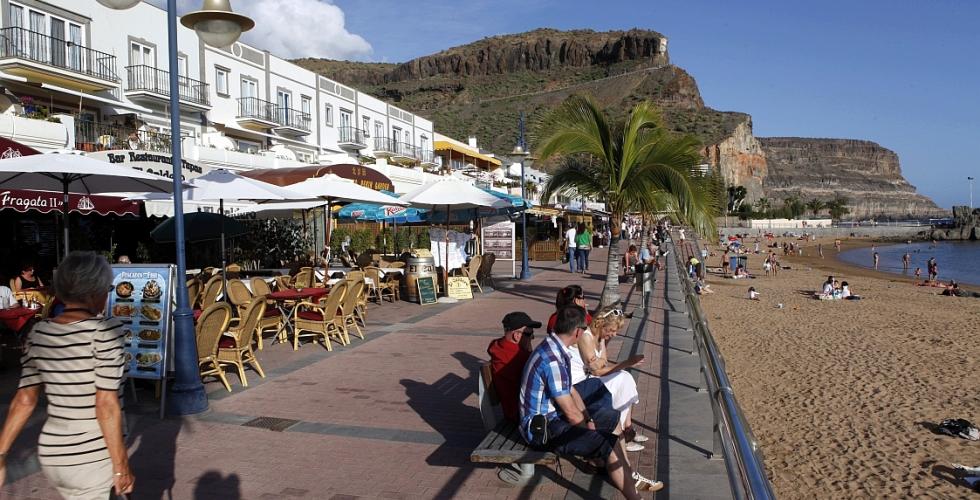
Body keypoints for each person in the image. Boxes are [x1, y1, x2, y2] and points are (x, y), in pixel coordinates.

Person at [0, 252, 134, 498]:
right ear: (95, 291)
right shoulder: (105, 332)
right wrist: (121, 465)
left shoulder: (40, 333)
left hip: (54, 454)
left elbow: (24, 400)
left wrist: (1, 454)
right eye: (106, 288)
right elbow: (105, 403)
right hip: (91, 456)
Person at [520, 306, 663, 496]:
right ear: (578, 331)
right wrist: (588, 430)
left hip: (552, 416)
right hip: (541, 429)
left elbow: (571, 390)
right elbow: (570, 411)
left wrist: (588, 418)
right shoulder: (553, 360)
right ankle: (632, 493)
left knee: (611, 416)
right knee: (605, 442)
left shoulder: (554, 347)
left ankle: (627, 472)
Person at [577, 307, 647, 450]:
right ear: (601, 324)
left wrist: (602, 359)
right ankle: (620, 434)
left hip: (589, 377)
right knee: (623, 378)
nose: (614, 334)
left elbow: (603, 362)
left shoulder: (599, 337)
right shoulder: (586, 337)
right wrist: (626, 363)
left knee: (625, 377)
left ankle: (625, 429)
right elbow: (598, 371)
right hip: (579, 384)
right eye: (611, 330)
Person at [488, 312, 540, 422]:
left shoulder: (498, 346)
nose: (532, 338)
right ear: (517, 335)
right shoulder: (520, 358)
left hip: (513, 410)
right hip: (523, 414)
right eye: (530, 334)